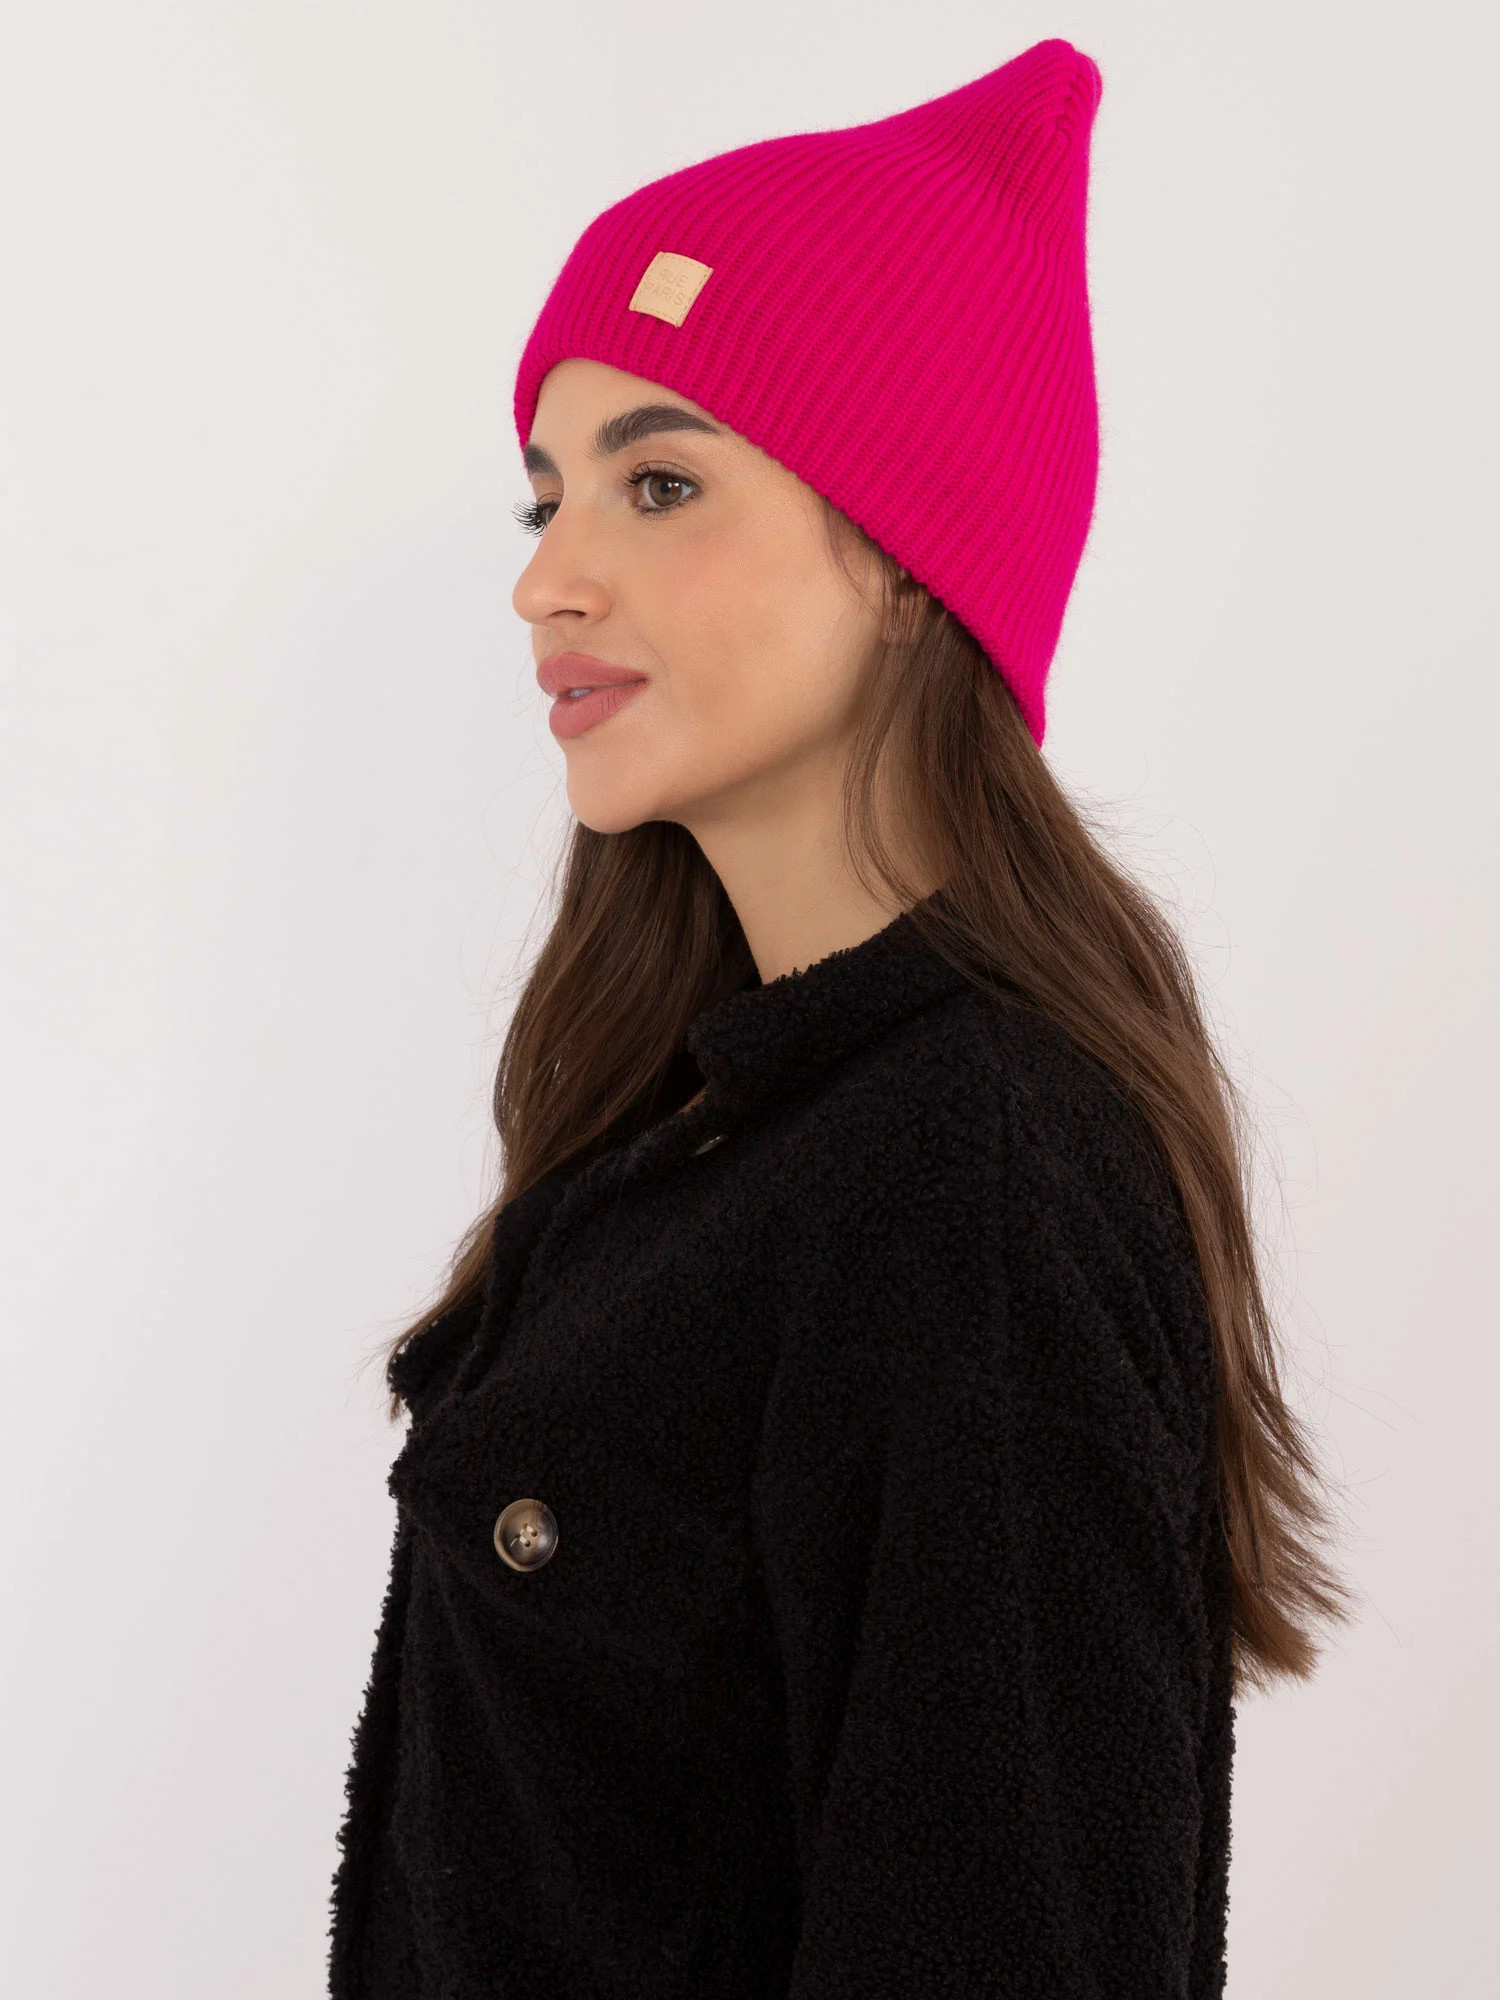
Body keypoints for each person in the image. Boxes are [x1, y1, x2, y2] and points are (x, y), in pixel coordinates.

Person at [327, 36, 1355, 1998]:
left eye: (659, 484)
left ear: (904, 554)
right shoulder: (707, 1132)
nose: (550, 582)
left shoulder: (972, 1179)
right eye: (547, 500)